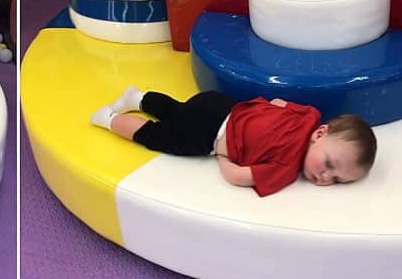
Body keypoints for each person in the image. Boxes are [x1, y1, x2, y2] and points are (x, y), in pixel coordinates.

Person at [91, 87, 376, 197]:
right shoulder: (286, 168)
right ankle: (109, 118)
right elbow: (238, 176)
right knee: (157, 136)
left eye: (336, 180)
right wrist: (222, 157)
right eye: (329, 165)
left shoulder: (308, 115)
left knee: (178, 110)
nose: (325, 177)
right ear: (320, 134)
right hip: (208, 133)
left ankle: (138, 98)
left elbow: (277, 101)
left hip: (221, 103)